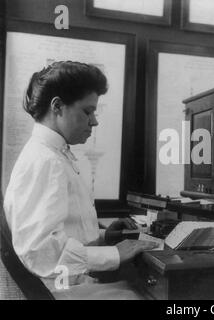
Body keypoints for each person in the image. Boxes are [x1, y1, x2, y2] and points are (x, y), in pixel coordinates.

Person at [3, 61, 158, 299]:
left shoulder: (52, 154)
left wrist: (104, 236)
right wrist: (115, 254)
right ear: (57, 106)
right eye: (87, 111)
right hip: (60, 290)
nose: (94, 121)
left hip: (67, 283)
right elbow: (39, 249)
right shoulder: (45, 160)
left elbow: (60, 229)